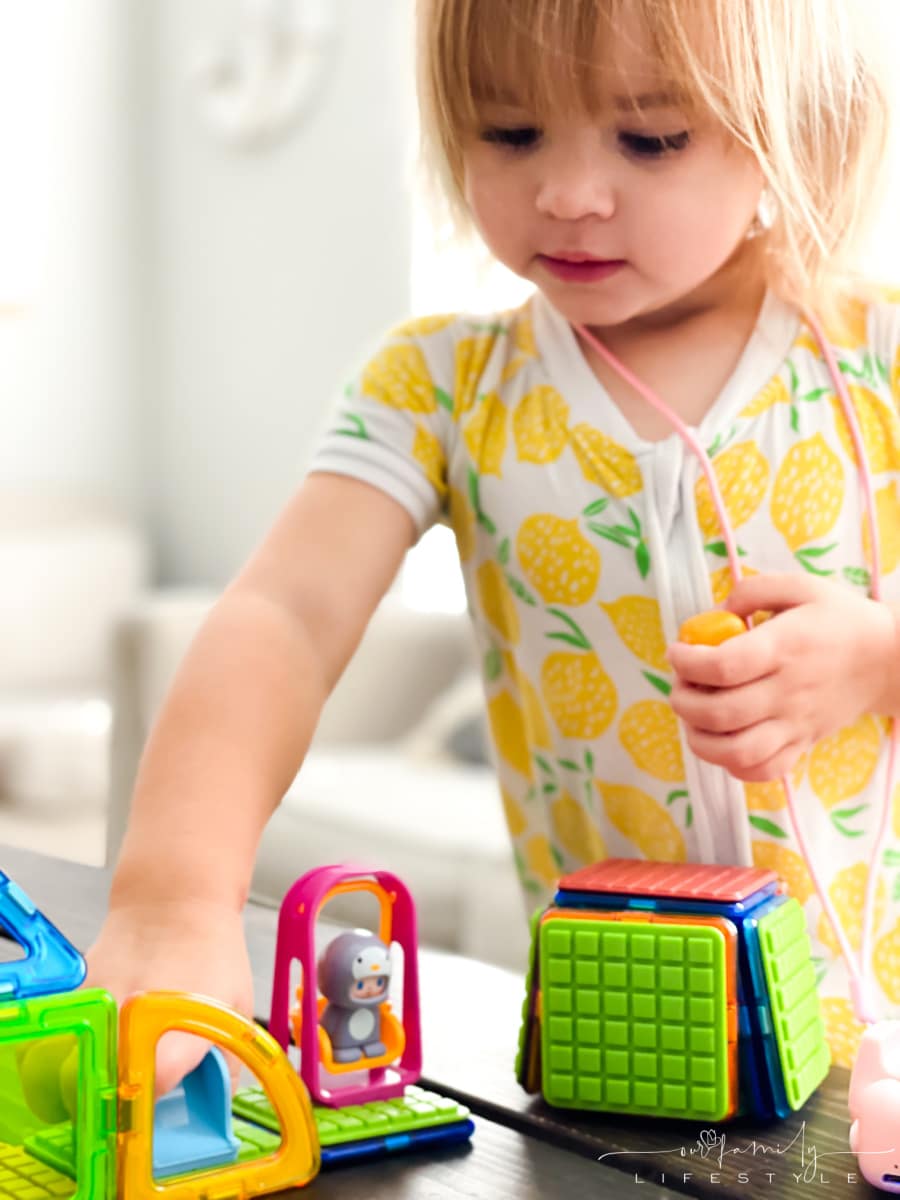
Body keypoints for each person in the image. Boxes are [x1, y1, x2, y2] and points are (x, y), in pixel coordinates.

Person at [87, 0, 900, 1085]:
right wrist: (172, 897)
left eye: (651, 137)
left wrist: (878, 656)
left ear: (801, 125)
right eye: (509, 132)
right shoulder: (443, 387)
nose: (565, 194)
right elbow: (285, 617)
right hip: (626, 1053)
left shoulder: (879, 354)